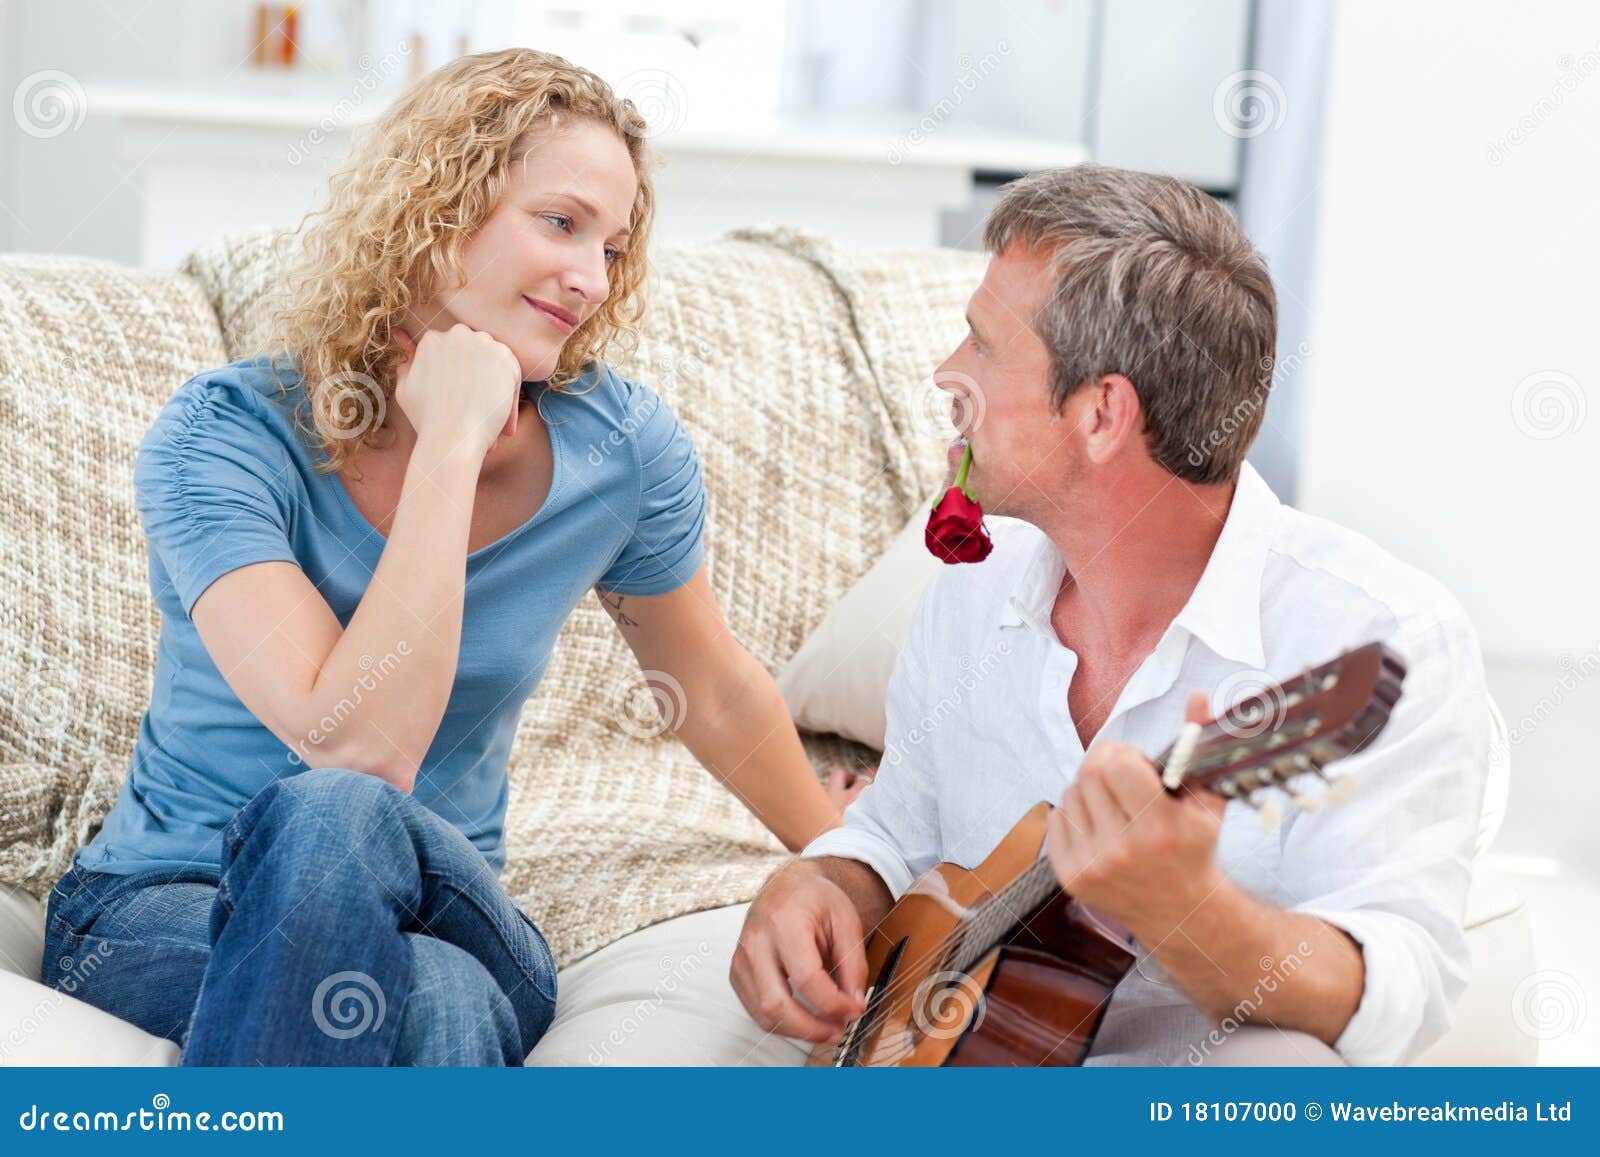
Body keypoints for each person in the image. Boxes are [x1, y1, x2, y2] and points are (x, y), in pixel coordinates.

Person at [41, 48, 858, 1067]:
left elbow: (709, 685)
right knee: (427, 985)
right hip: (168, 899)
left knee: (384, 878)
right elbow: (356, 744)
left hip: (444, 894)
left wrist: (854, 856)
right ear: (436, 213)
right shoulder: (226, 438)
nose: (589, 277)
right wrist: (451, 449)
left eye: (610, 245)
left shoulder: (617, 451)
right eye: (560, 223)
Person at [729, 164, 1491, 1067]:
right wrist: (825, 880)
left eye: (982, 346)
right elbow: (900, 828)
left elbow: (1401, 982)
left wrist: (1191, 911)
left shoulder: (1378, 636)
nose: (946, 373)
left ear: (1100, 413)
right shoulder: (982, 581)